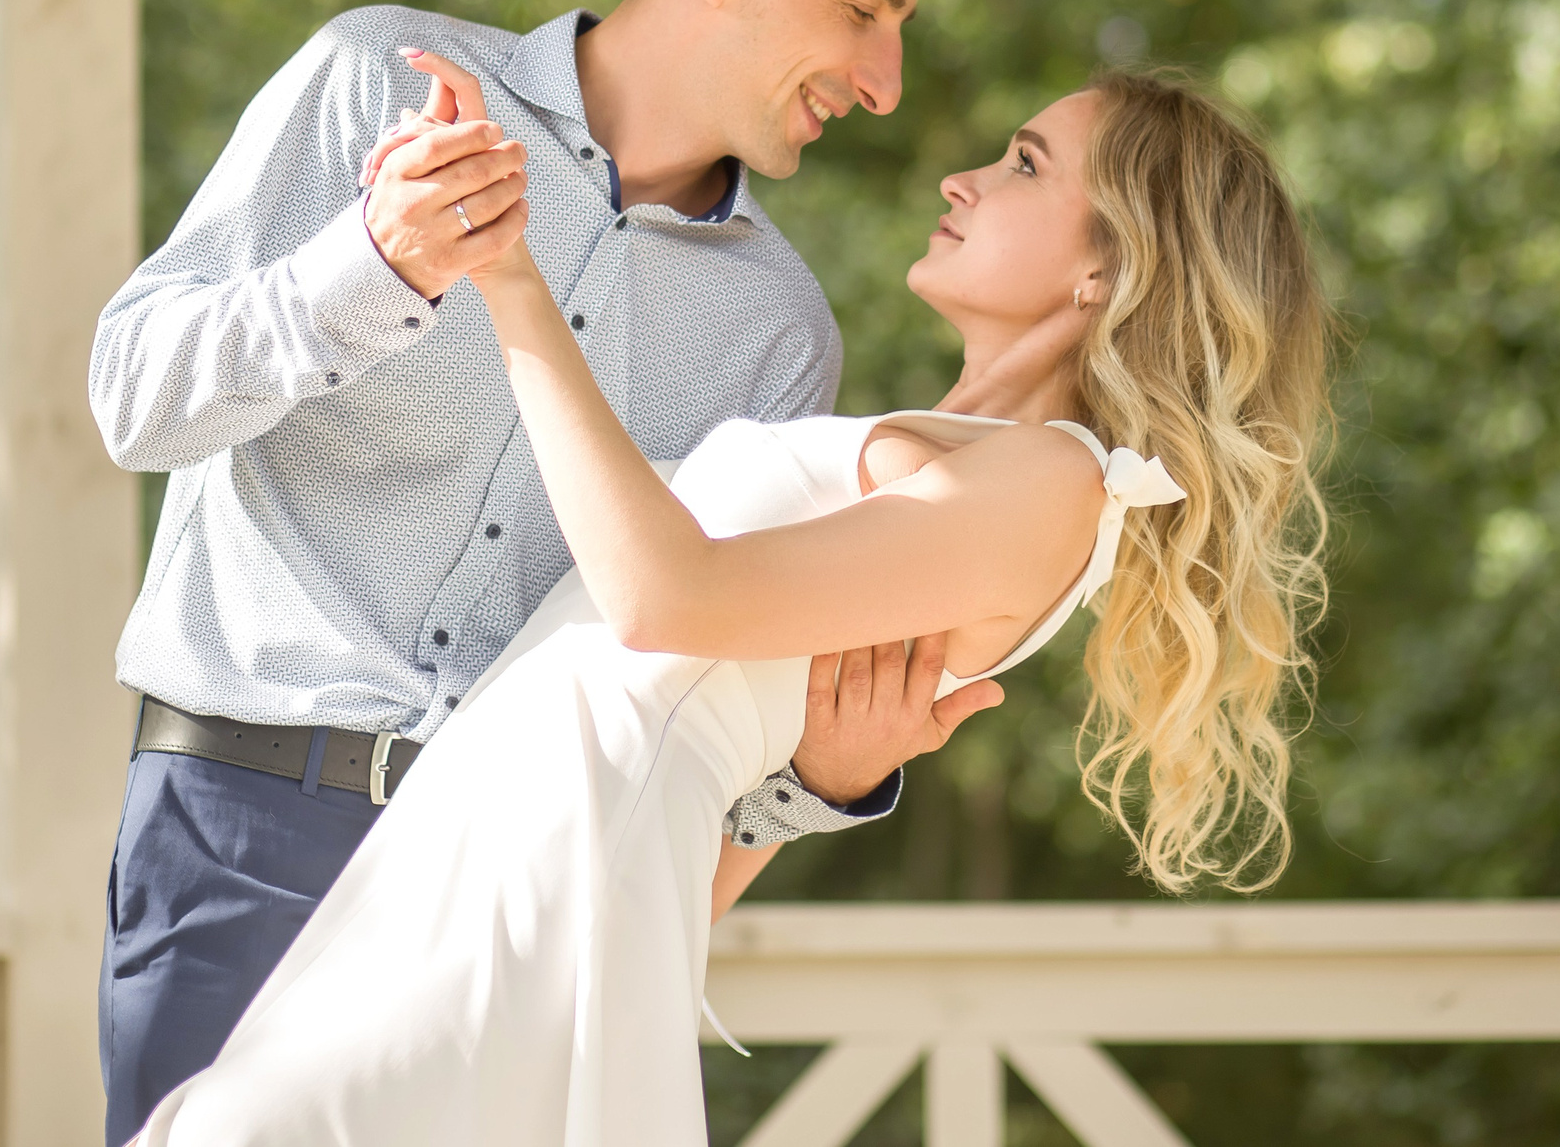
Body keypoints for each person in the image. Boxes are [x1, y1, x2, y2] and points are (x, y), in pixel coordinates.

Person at [134, 60, 1334, 1146]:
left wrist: (507, 274)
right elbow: (675, 769)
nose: (962, 178)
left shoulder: (1056, 484)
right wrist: (808, 786)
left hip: (523, 883)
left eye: (1024, 164)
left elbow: (660, 599)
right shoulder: (962, 457)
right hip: (485, 866)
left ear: (1107, 267)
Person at [86, 0, 1004, 1142]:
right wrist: (371, 268)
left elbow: (690, 701)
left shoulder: (778, 332)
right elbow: (132, 402)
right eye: (863, 11)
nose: (885, 83)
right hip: (240, 836)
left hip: (521, 896)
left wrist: (817, 779)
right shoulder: (375, 80)